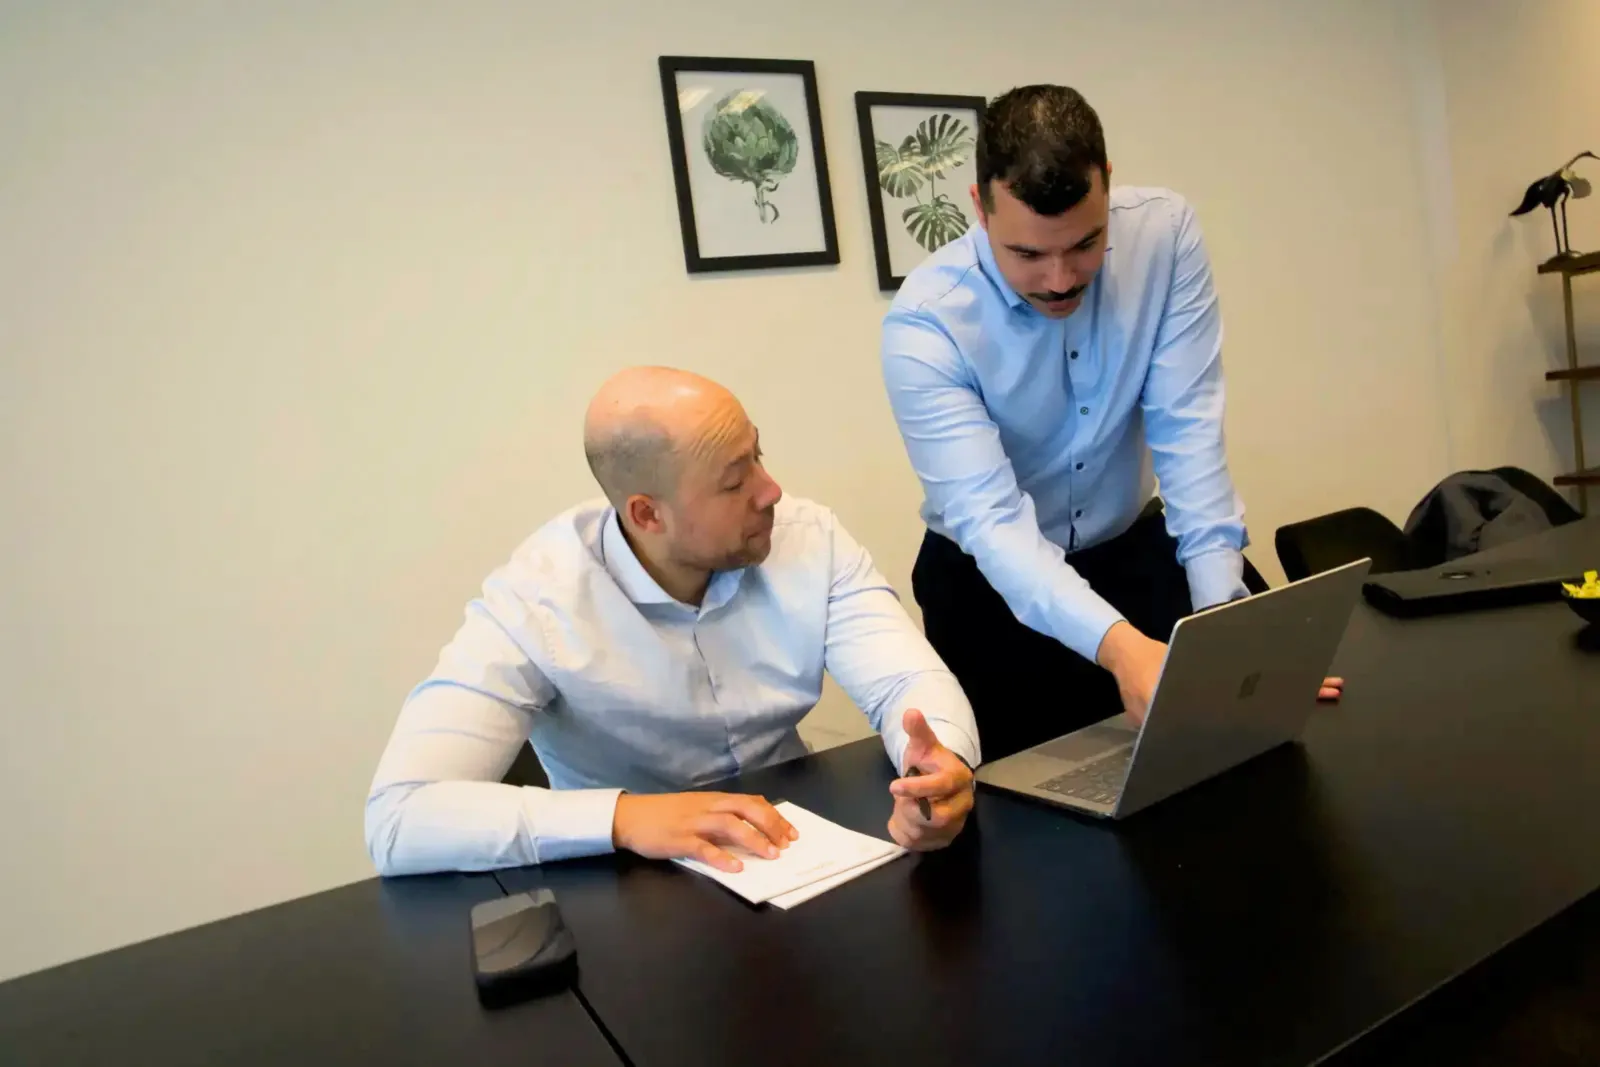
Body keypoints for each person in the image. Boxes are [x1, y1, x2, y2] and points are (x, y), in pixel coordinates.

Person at [366, 366, 980, 877]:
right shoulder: (539, 598)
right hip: (626, 880)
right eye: (735, 480)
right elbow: (400, 817)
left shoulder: (806, 538)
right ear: (646, 515)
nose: (771, 491)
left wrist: (938, 766)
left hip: (799, 845)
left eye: (758, 456)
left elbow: (907, 687)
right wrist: (626, 817)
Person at [879, 85, 1341, 761]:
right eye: (1028, 255)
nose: (1061, 278)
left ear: (1107, 186)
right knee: (1036, 818)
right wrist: (1124, 650)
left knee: (1251, 752)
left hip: (1132, 548)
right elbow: (995, 526)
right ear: (979, 208)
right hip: (989, 586)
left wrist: (1221, 630)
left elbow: (1189, 433)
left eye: (1085, 244)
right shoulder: (926, 324)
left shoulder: (1165, 235)